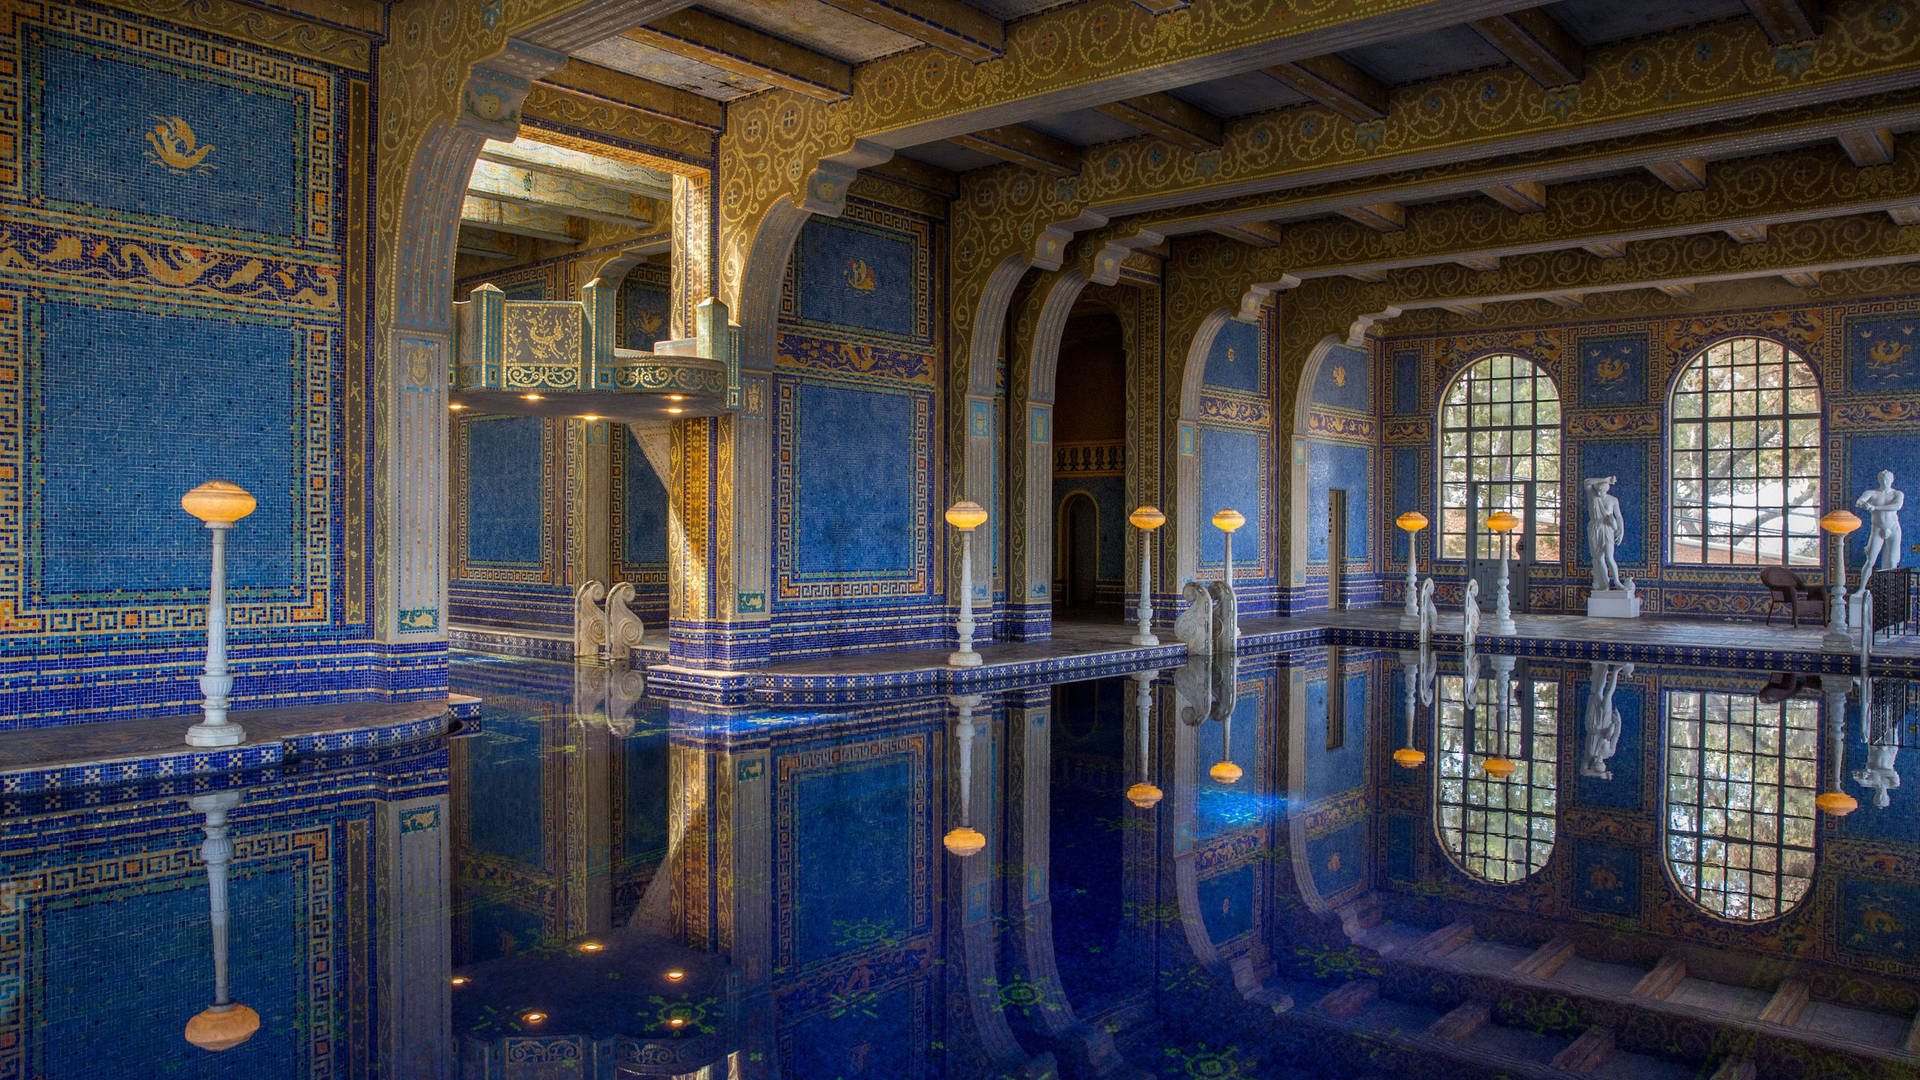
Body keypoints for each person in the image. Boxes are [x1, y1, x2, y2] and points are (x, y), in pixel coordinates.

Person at [1856, 470, 1905, 588]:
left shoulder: (1897, 494)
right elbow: (1859, 501)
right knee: (1870, 560)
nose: (1885, 481)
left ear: (1892, 480)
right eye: (1883, 479)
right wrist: (1864, 504)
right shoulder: (1872, 493)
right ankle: (1861, 589)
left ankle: (1891, 589)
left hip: (1893, 529)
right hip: (1877, 529)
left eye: (1887, 479)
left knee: (1893, 561)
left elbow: (1897, 506)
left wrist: (1874, 507)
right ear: (1879, 480)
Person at [1586, 476, 1625, 592]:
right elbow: (1587, 482)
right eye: (1597, 490)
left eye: (1602, 490)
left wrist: (1621, 531)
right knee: (1599, 558)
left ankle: (1617, 581)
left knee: (1609, 557)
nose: (1599, 492)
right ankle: (1605, 584)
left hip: (1607, 529)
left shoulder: (1613, 500)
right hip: (1595, 528)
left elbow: (1619, 517)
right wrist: (1606, 479)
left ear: (1606, 489)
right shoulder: (1592, 496)